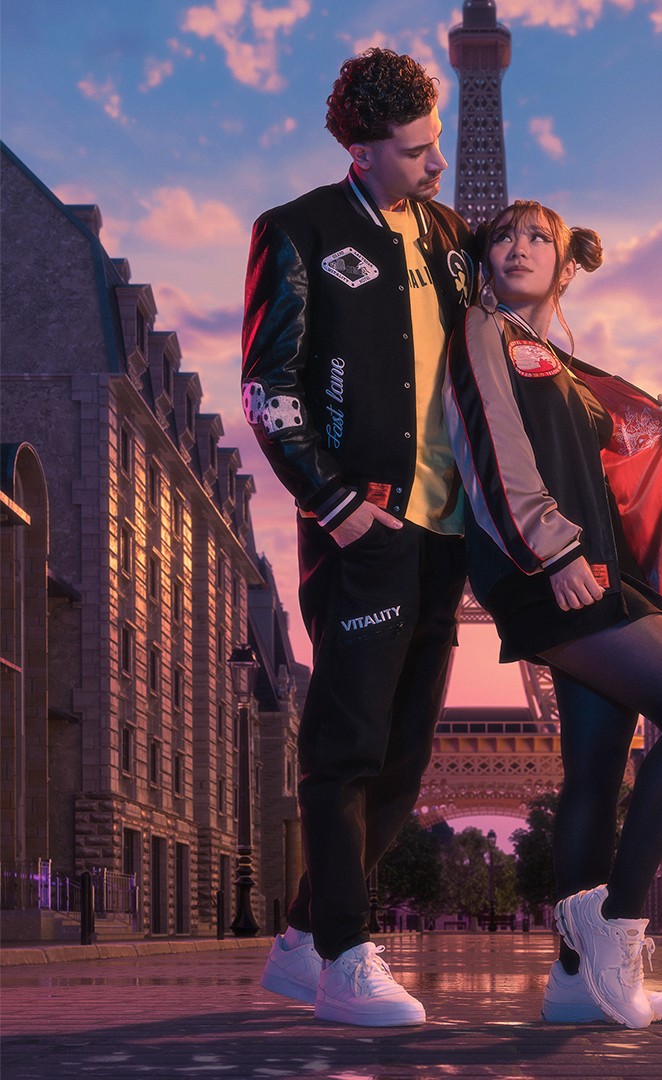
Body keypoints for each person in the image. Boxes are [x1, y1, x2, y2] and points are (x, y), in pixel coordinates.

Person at [443, 200, 662, 1030]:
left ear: (568, 266)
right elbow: (490, 439)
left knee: (597, 770)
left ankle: (576, 984)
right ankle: (614, 929)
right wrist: (554, 548)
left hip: (590, 565)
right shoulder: (482, 332)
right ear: (485, 257)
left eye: (539, 236)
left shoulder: (565, 367)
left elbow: (618, 476)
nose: (518, 246)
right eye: (503, 235)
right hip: (552, 567)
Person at [243, 49, 475, 1026]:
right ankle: (343, 954)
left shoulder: (452, 237)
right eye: (419, 149)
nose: (438, 163)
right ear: (362, 150)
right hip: (364, 527)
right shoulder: (298, 232)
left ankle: (300, 942)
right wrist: (335, 503)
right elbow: (268, 386)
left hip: (448, 532)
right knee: (343, 751)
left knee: (405, 763)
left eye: (439, 140)